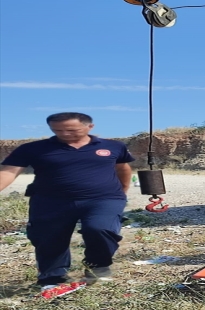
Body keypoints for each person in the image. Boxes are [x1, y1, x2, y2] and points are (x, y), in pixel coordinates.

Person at [0, 112, 135, 286]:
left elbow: (122, 169)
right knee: (49, 237)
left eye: (71, 130)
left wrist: (122, 191)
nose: (64, 134)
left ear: (89, 127)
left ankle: (98, 267)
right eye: (57, 130)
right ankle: (53, 278)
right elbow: (8, 172)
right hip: (50, 201)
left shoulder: (113, 146)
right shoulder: (32, 149)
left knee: (100, 229)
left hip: (103, 199)